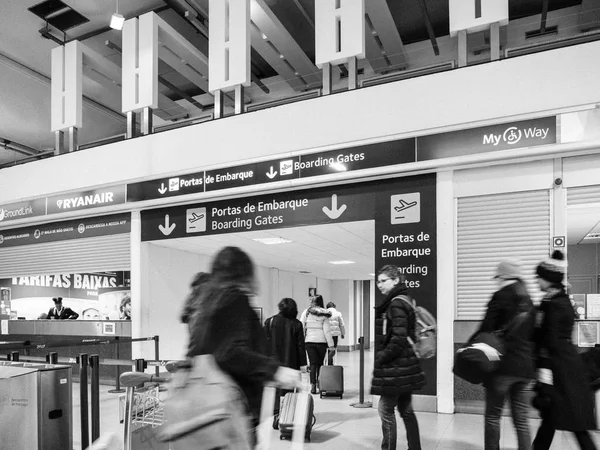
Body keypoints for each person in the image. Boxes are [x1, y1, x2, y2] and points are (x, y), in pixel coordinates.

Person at [187, 246, 301, 446]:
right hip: (231, 406)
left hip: (201, 406)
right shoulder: (234, 298)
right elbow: (229, 352)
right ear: (244, 272)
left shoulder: (203, 302)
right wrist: (274, 371)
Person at [532, 250, 597, 450]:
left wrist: (543, 372)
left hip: (562, 371)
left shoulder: (556, 304)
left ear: (549, 279)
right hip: (562, 368)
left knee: (575, 424)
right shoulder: (554, 301)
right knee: (553, 418)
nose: (536, 281)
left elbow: (550, 342)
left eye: (539, 277)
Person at [475, 260, 535, 450]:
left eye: (498, 278)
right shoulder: (529, 300)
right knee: (522, 421)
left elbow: (485, 329)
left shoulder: (499, 296)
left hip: (502, 367)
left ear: (502, 277)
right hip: (525, 368)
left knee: (493, 416)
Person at [371, 265, 425, 450]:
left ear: (396, 280)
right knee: (406, 410)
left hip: (397, 366)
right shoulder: (406, 299)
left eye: (383, 280)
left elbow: (399, 337)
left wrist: (382, 357)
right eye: (378, 281)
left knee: (385, 409)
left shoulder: (395, 303)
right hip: (406, 365)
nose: (379, 285)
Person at [264, 297, 307, 426]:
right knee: (291, 392)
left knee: (275, 390)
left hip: (273, 363)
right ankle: (288, 417)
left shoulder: (270, 322)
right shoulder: (297, 324)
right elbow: (300, 347)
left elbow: (263, 343)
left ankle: (276, 417)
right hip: (291, 363)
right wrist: (303, 365)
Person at [300, 294, 335, 394]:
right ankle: (320, 384)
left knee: (312, 364)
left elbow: (301, 326)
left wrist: (302, 340)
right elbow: (327, 331)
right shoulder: (325, 314)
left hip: (309, 341)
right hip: (321, 342)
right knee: (320, 364)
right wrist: (331, 345)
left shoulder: (306, 312)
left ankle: (313, 386)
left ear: (313, 302)